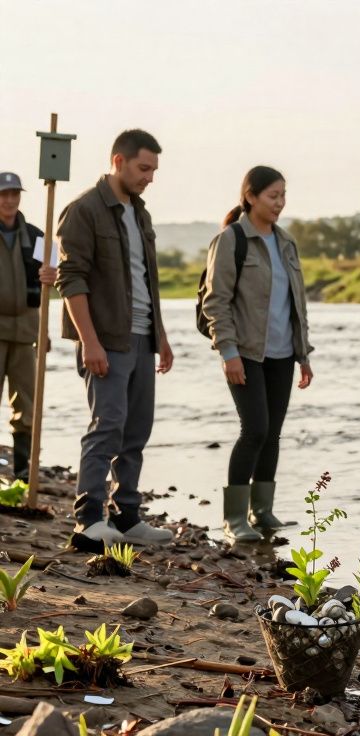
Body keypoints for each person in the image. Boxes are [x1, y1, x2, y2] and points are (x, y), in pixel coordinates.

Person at [56, 129, 174, 546]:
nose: (150, 177)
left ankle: (126, 517)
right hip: (105, 338)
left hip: (143, 339)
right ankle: (87, 521)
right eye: (144, 168)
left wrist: (161, 335)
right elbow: (71, 280)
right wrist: (89, 341)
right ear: (118, 161)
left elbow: (147, 280)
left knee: (136, 431)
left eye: (154, 170)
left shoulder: (141, 214)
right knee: (107, 428)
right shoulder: (83, 210)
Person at [200, 166, 313, 543]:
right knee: (255, 429)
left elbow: (297, 302)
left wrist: (304, 354)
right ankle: (234, 518)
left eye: (283, 196)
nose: (280, 203)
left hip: (283, 354)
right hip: (245, 351)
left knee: (274, 433)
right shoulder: (231, 240)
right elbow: (216, 302)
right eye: (272, 196)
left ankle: (262, 511)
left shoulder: (286, 242)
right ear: (250, 196)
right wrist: (228, 351)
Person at [0, 172, 57, 481]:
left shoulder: (38, 237)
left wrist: (52, 276)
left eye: (14, 194)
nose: (9, 200)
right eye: (3, 194)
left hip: (26, 331)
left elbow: (56, 276)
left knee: (26, 406)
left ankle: (23, 473)